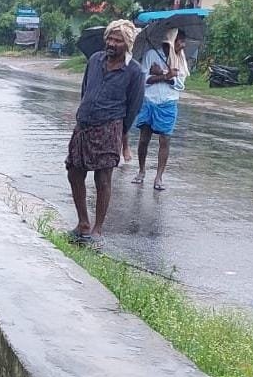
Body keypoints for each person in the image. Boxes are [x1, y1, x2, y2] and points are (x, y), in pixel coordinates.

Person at [65, 19, 144, 248]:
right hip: (84, 125)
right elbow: (85, 90)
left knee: (103, 179)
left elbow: (134, 107)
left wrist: (120, 133)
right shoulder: (94, 60)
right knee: (74, 172)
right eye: (110, 38)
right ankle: (83, 224)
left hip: (109, 128)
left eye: (118, 40)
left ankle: (97, 229)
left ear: (127, 44)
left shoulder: (134, 72)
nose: (111, 43)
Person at [132, 29, 188, 191]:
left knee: (165, 140)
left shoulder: (180, 59)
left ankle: (159, 177)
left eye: (183, 41)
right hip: (149, 101)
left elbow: (180, 85)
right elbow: (144, 80)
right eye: (180, 41)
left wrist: (162, 73)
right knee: (144, 139)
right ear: (171, 41)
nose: (183, 45)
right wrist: (166, 76)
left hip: (168, 103)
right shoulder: (151, 55)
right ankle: (141, 170)